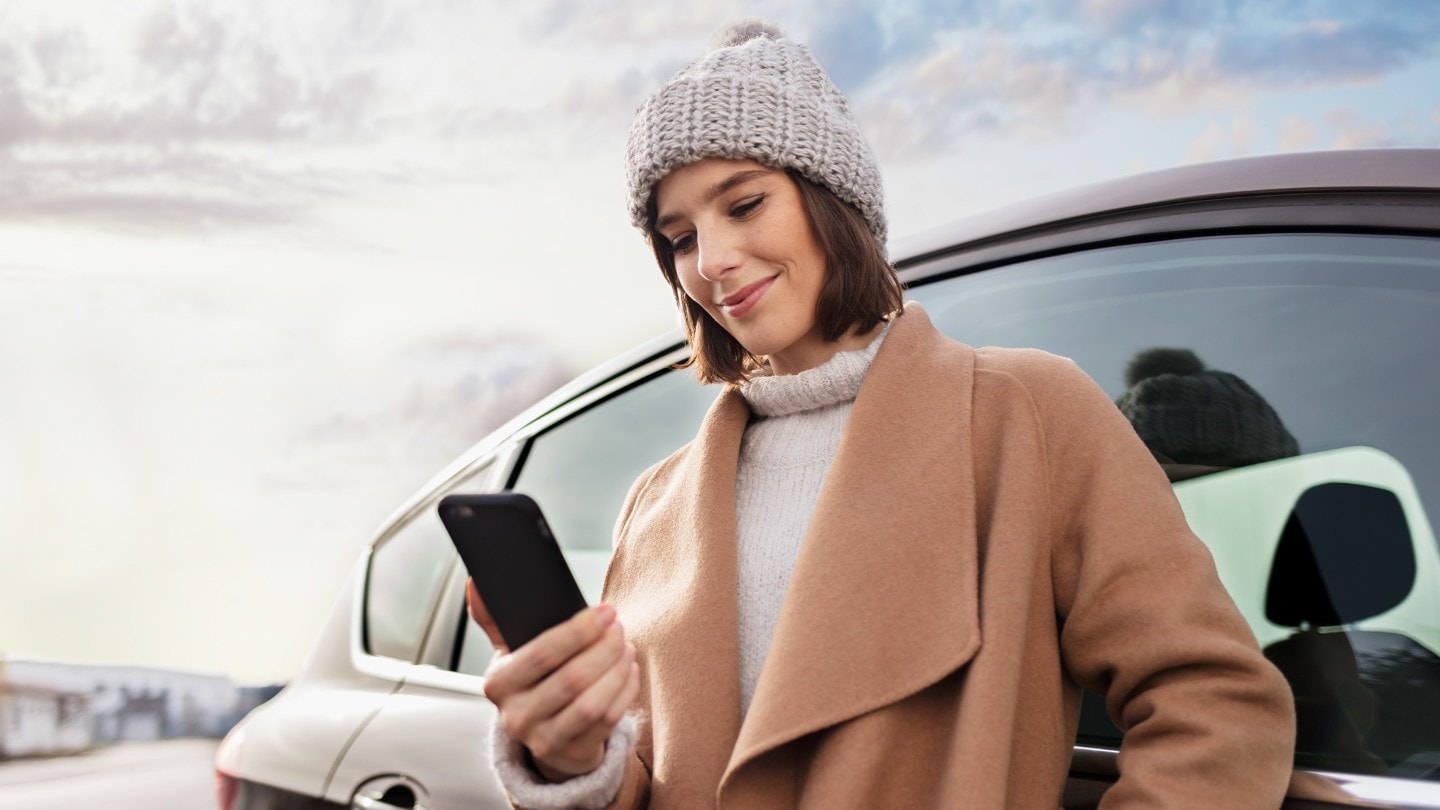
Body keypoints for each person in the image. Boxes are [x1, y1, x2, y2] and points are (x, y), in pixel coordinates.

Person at [469, 20, 1297, 808]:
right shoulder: (655, 506)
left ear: (832, 199)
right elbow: (656, 781)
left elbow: (1212, 701)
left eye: (745, 204)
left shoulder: (1026, 415)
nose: (712, 260)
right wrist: (575, 764)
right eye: (679, 237)